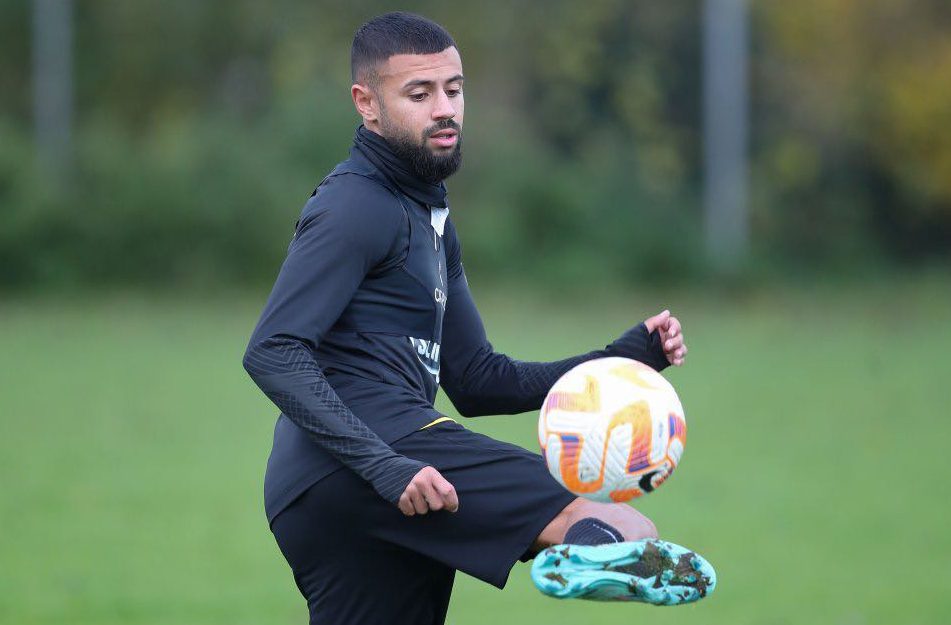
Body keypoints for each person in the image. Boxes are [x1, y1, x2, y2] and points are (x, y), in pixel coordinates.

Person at [243, 11, 715, 625]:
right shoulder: (354, 204)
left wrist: (619, 361)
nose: (445, 109)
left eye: (454, 90)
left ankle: (585, 554)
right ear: (367, 103)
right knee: (620, 523)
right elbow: (273, 349)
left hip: (323, 488)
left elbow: (476, 379)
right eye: (419, 94)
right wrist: (384, 466)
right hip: (376, 454)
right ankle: (584, 555)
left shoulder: (428, 218)